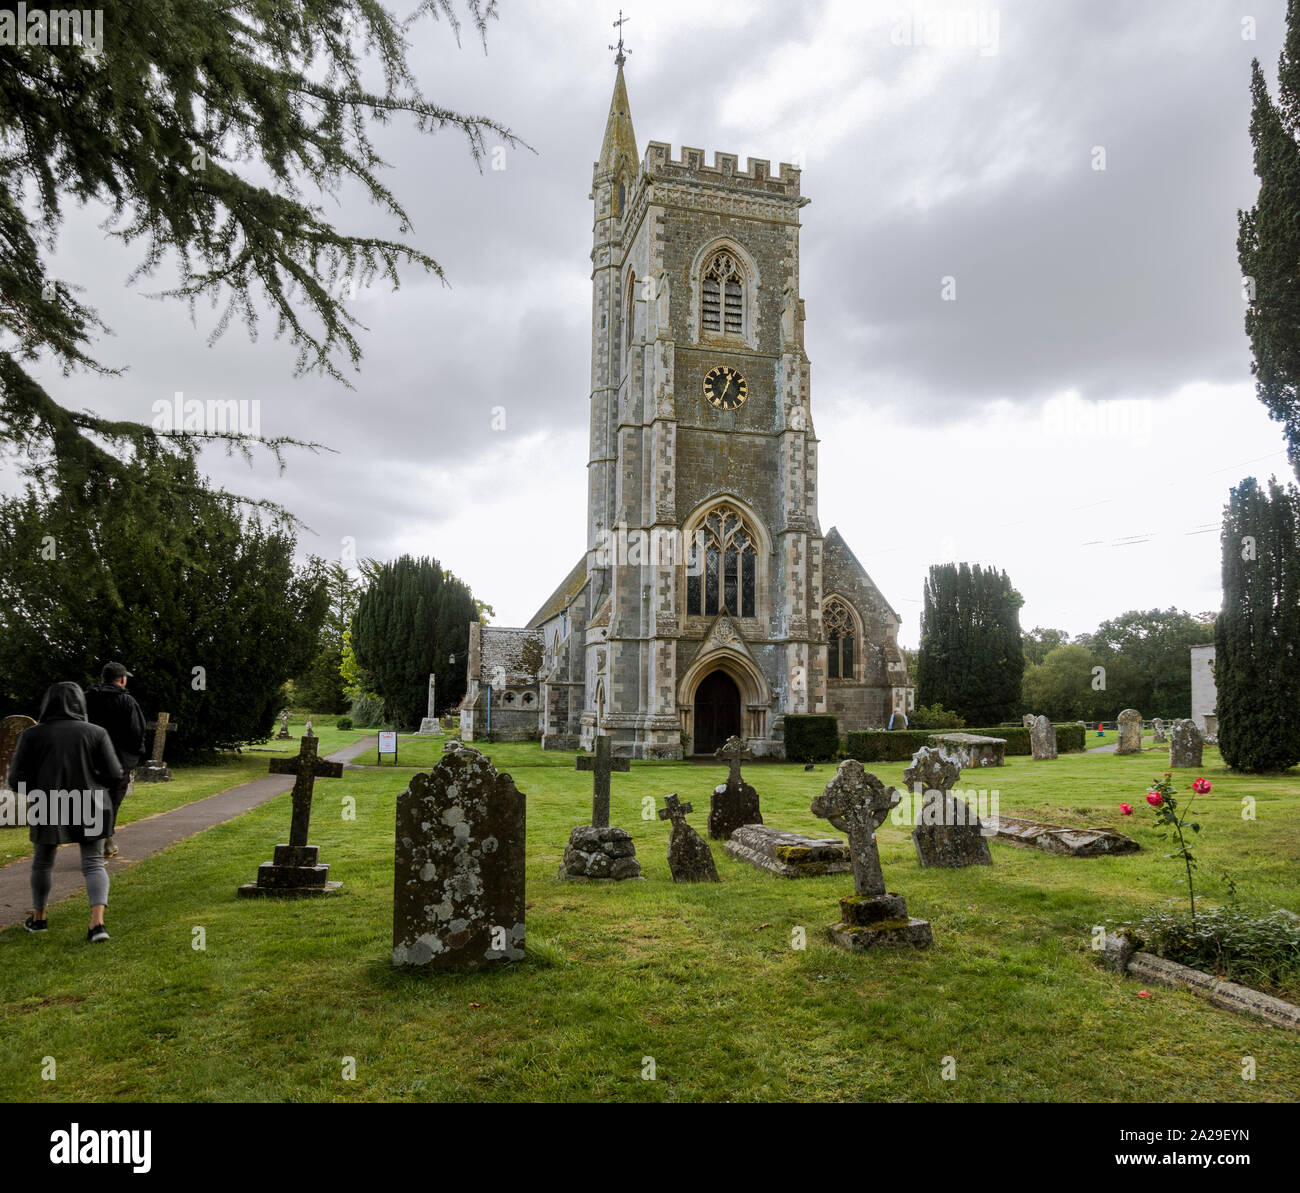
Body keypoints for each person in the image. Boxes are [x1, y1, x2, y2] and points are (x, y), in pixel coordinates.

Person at [8, 682, 122, 942]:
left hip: (47, 802)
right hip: (91, 801)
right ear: (79, 703)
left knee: (42, 861)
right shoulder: (96, 732)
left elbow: (16, 779)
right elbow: (115, 773)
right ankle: (97, 925)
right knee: (93, 863)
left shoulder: (33, 735)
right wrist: (95, 782)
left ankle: (39, 919)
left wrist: (39, 790)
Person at [83, 661, 147, 857]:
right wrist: (134, 753)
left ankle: (98, 839)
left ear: (102, 678)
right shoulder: (127, 702)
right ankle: (105, 841)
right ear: (123, 679)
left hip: (91, 757)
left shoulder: (86, 698)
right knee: (112, 800)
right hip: (119, 758)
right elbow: (137, 732)